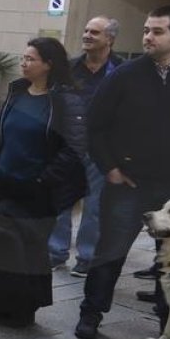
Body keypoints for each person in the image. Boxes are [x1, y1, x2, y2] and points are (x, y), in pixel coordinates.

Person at [75, 6, 170, 339]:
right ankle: (91, 313)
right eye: (147, 30)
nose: (148, 36)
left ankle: (168, 325)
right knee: (110, 251)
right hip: (129, 184)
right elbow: (95, 126)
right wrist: (110, 168)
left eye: (157, 31)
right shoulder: (124, 75)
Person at [0, 37, 83, 327]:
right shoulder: (17, 92)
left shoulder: (64, 100)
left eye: (30, 59)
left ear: (48, 64)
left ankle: (23, 309)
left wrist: (43, 178)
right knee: (1, 240)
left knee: (29, 248)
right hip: (5, 182)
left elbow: (73, 148)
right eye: (22, 58)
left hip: (38, 189)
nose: (23, 63)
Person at [48, 17, 123, 276]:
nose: (87, 35)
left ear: (109, 39)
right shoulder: (68, 69)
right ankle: (55, 253)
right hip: (68, 145)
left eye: (95, 32)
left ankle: (87, 257)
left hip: (101, 149)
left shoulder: (121, 71)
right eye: (86, 30)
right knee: (61, 203)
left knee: (94, 207)